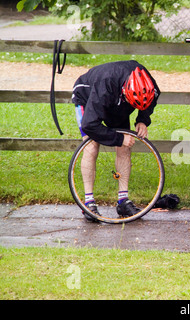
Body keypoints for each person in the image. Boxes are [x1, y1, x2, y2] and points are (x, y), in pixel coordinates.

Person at [72, 60, 160, 221]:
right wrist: (118, 138)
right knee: (91, 145)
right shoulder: (105, 85)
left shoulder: (147, 82)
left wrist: (142, 120)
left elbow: (153, 97)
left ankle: (123, 201)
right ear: (125, 92)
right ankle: (89, 204)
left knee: (125, 147)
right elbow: (90, 125)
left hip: (118, 103)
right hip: (88, 96)